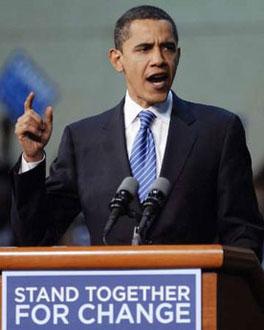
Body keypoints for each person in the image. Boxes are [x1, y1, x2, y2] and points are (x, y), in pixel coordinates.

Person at [12, 5, 264, 260]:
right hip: (110, 293)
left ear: (178, 55)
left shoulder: (218, 131)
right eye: (144, 49)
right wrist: (32, 159)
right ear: (117, 59)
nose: (159, 59)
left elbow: (243, 233)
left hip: (194, 292)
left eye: (167, 47)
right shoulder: (82, 140)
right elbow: (35, 236)